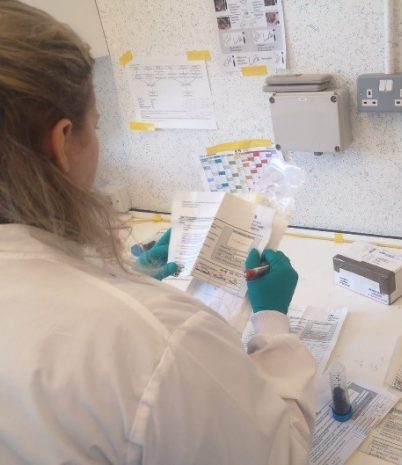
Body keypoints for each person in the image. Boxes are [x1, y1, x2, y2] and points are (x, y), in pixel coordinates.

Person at [0, 2, 315, 464]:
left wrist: (120, 277)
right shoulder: (156, 337)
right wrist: (272, 324)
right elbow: (281, 452)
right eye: (97, 124)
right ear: (63, 142)